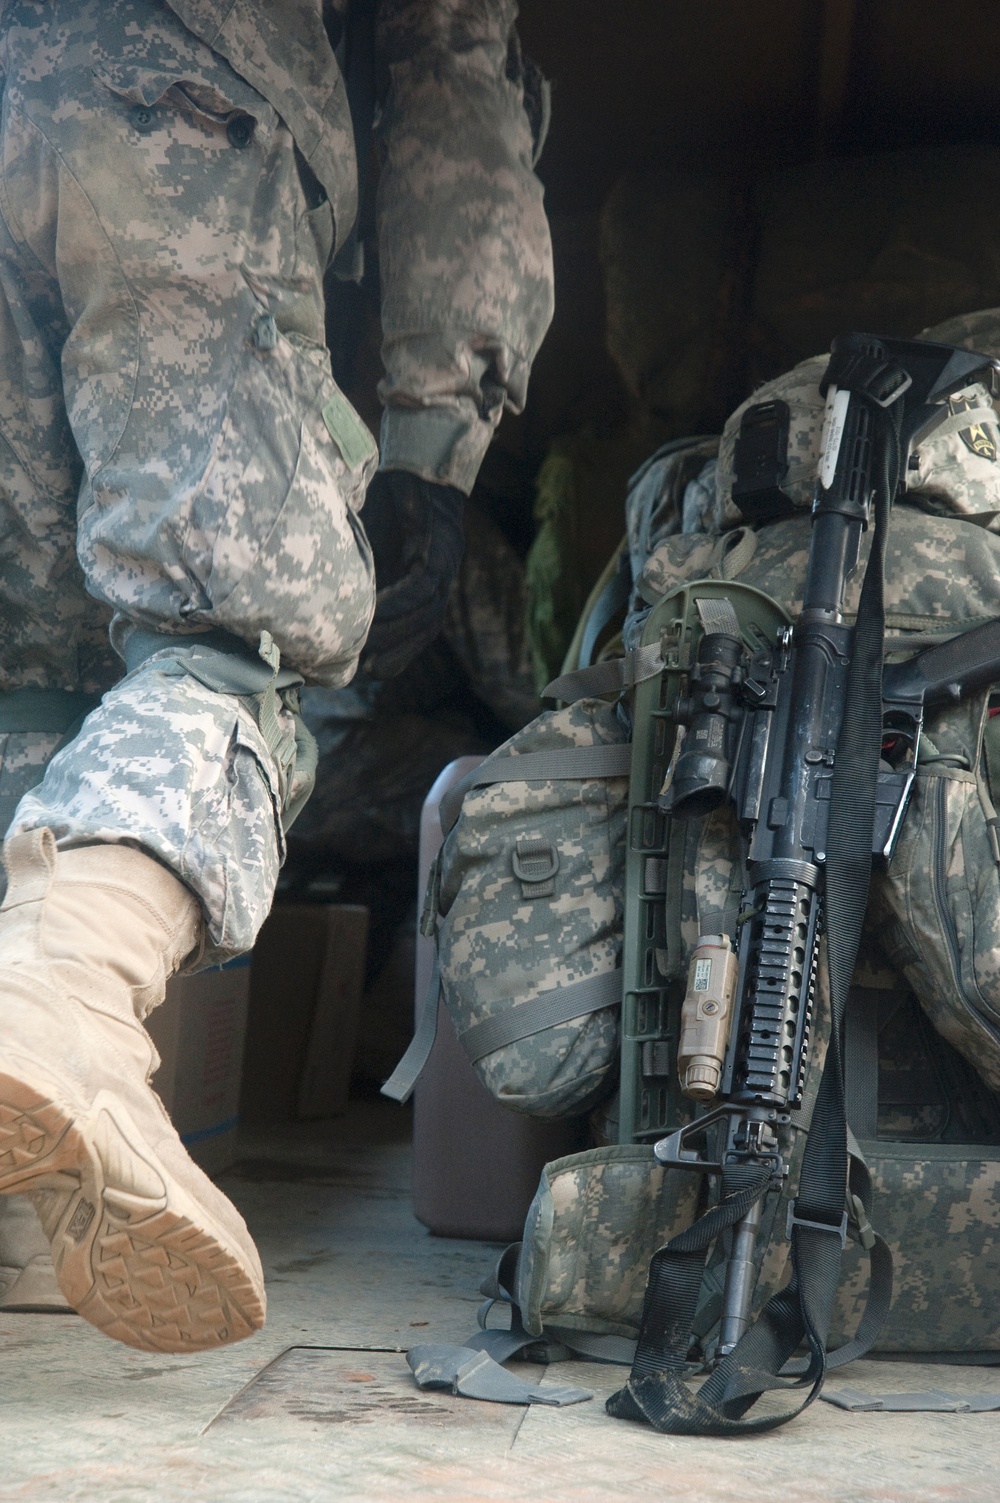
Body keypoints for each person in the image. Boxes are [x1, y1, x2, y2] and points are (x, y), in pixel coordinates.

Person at [0, 0, 553, 1348]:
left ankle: (18, 1212)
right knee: (224, 656)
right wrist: (433, 444)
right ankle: (57, 994)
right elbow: (453, 85)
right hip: (170, 117)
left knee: (30, 677)